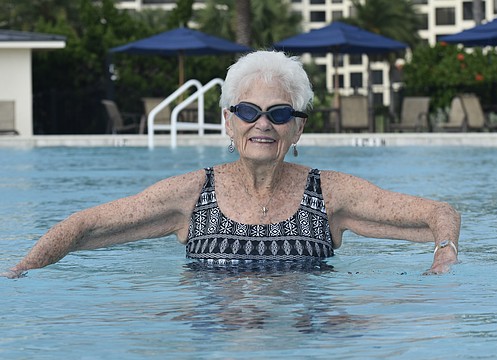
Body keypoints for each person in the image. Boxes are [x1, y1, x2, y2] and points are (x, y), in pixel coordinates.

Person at [3, 50, 460, 279]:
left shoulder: (331, 195)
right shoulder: (190, 195)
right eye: (248, 111)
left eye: (279, 114)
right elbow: (84, 225)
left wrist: (443, 257)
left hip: (305, 337)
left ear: (297, 129)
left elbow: (440, 213)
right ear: (228, 121)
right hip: (211, 334)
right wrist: (17, 275)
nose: (262, 124)